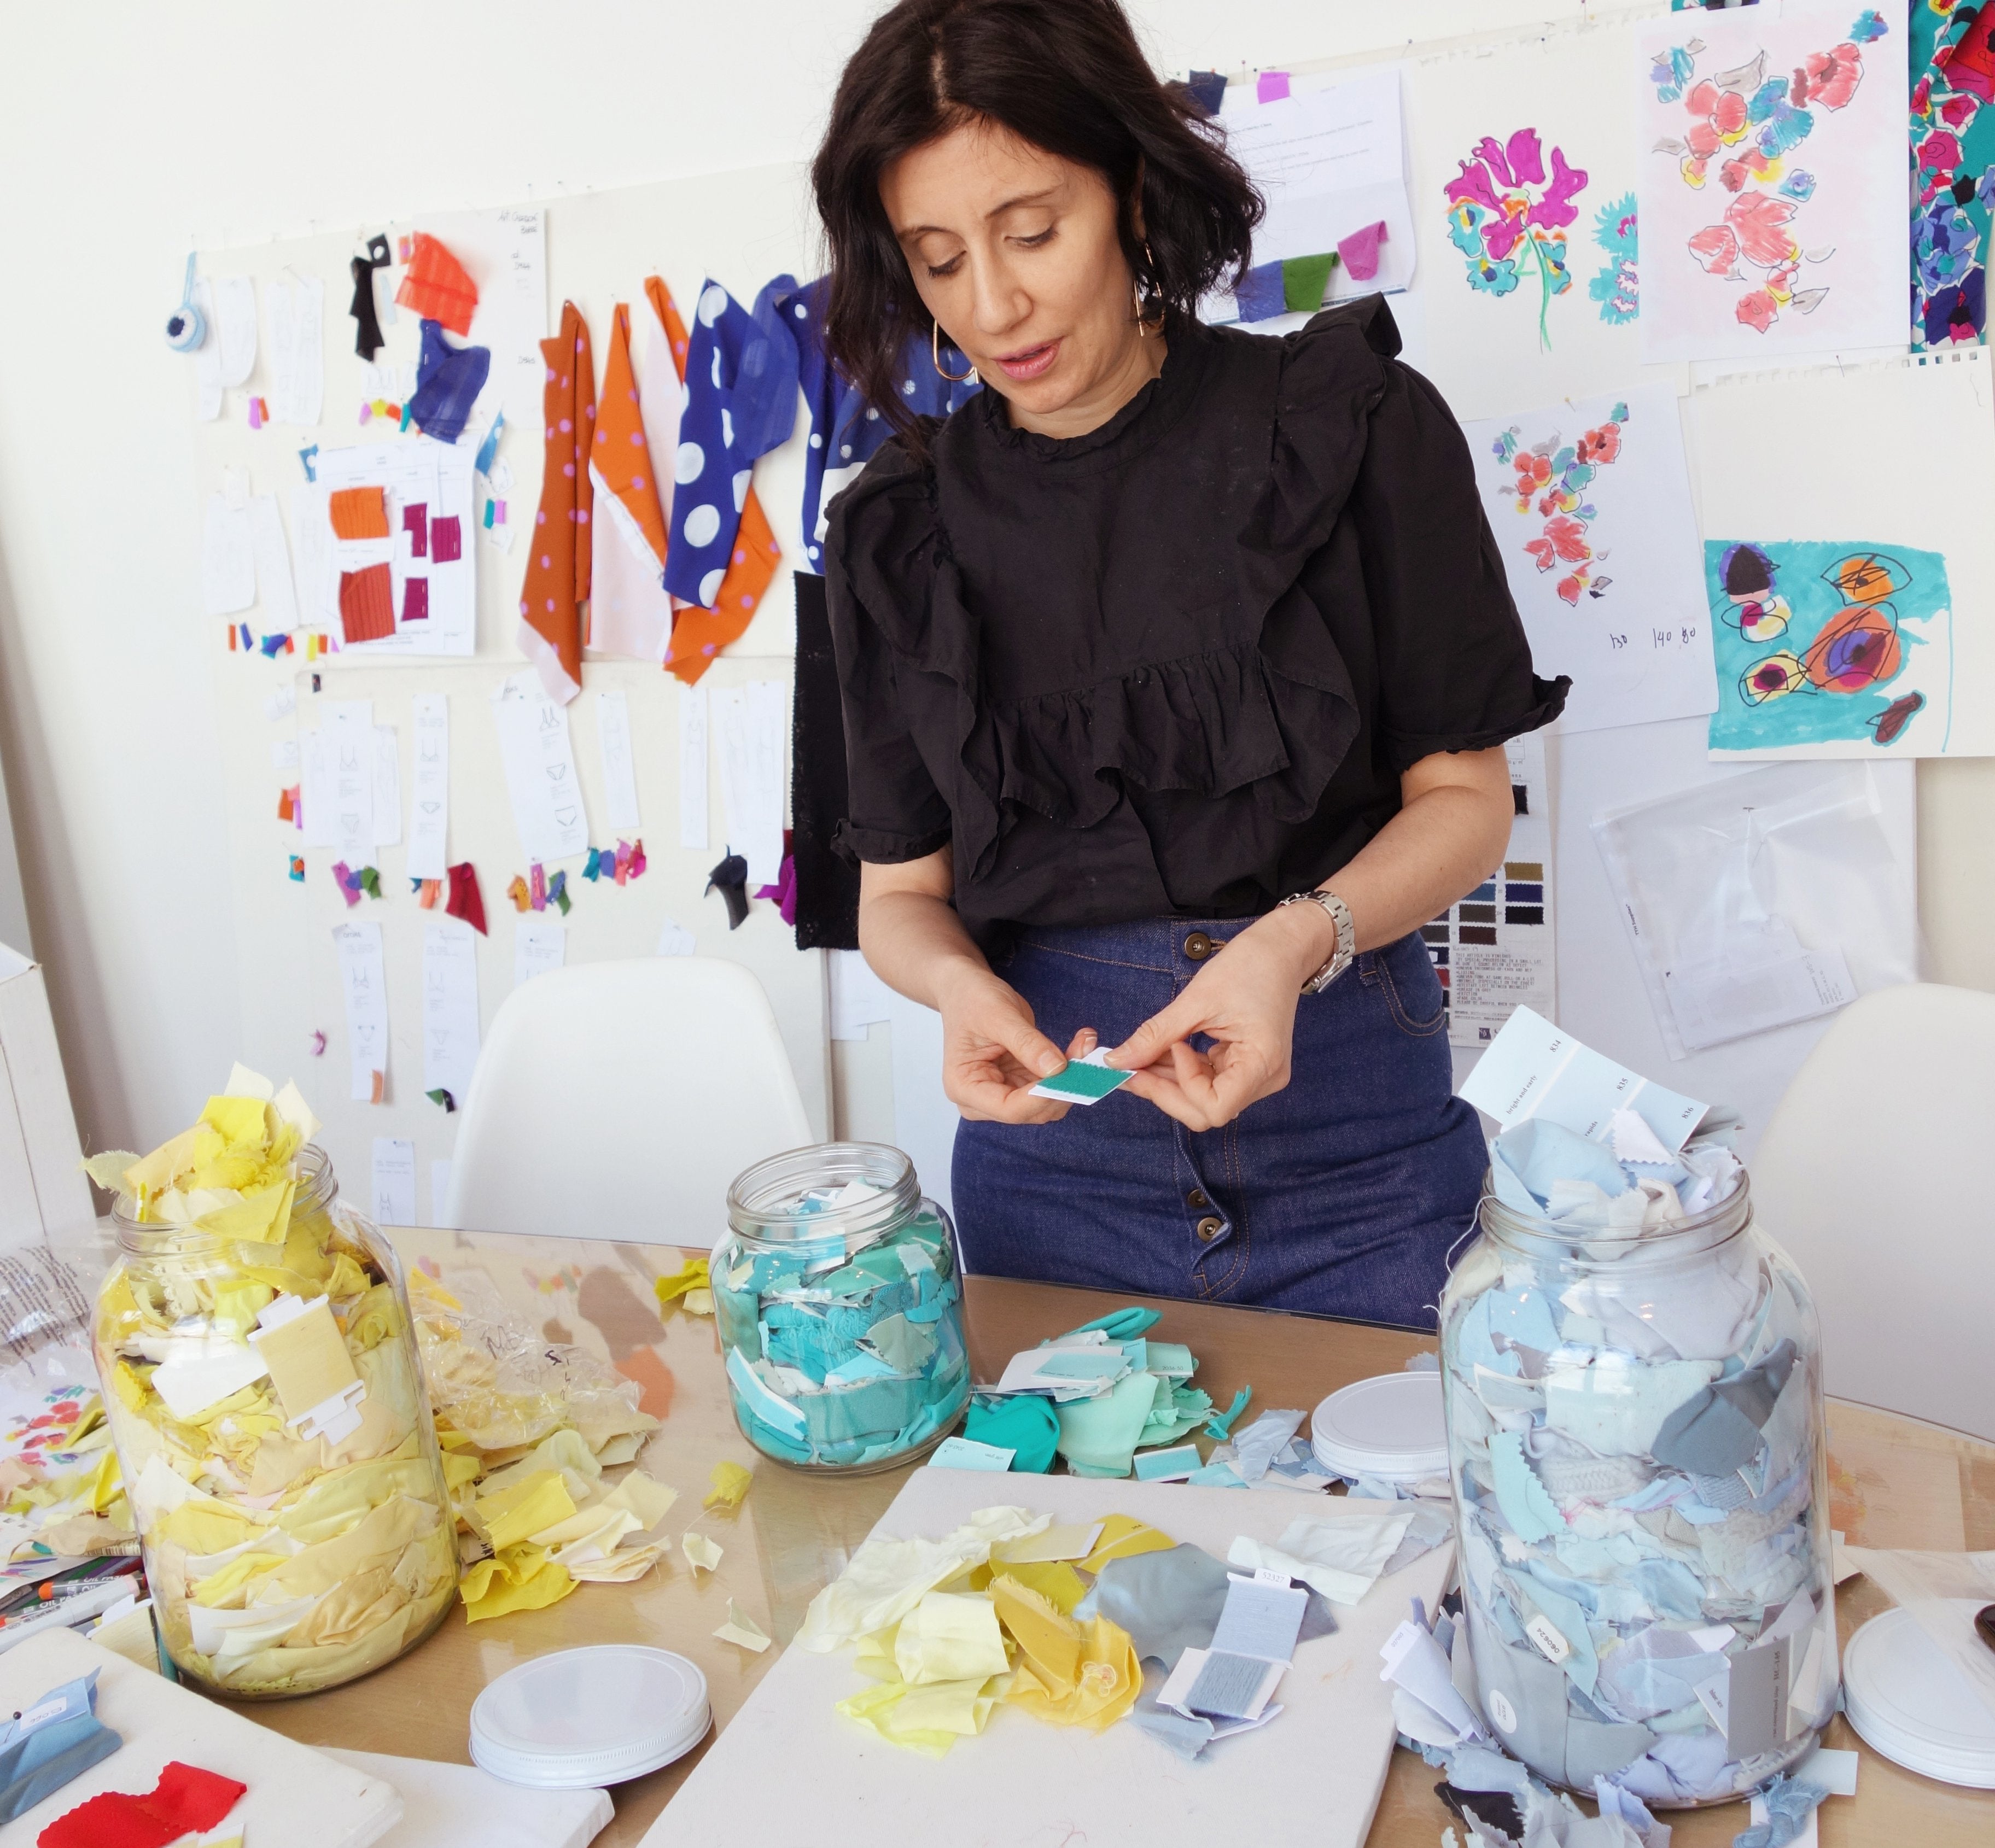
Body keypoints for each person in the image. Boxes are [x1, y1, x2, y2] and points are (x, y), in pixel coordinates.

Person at [811, 0, 1566, 1327]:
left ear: (1136, 193)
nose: (992, 305)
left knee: (1414, 1522)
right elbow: (898, 898)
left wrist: (1293, 944)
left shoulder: (1349, 429)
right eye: (936, 261)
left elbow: (1466, 804)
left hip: (1359, 1156)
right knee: (1065, 1538)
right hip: (1053, 1176)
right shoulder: (897, 532)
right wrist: (956, 985)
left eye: (1033, 233)